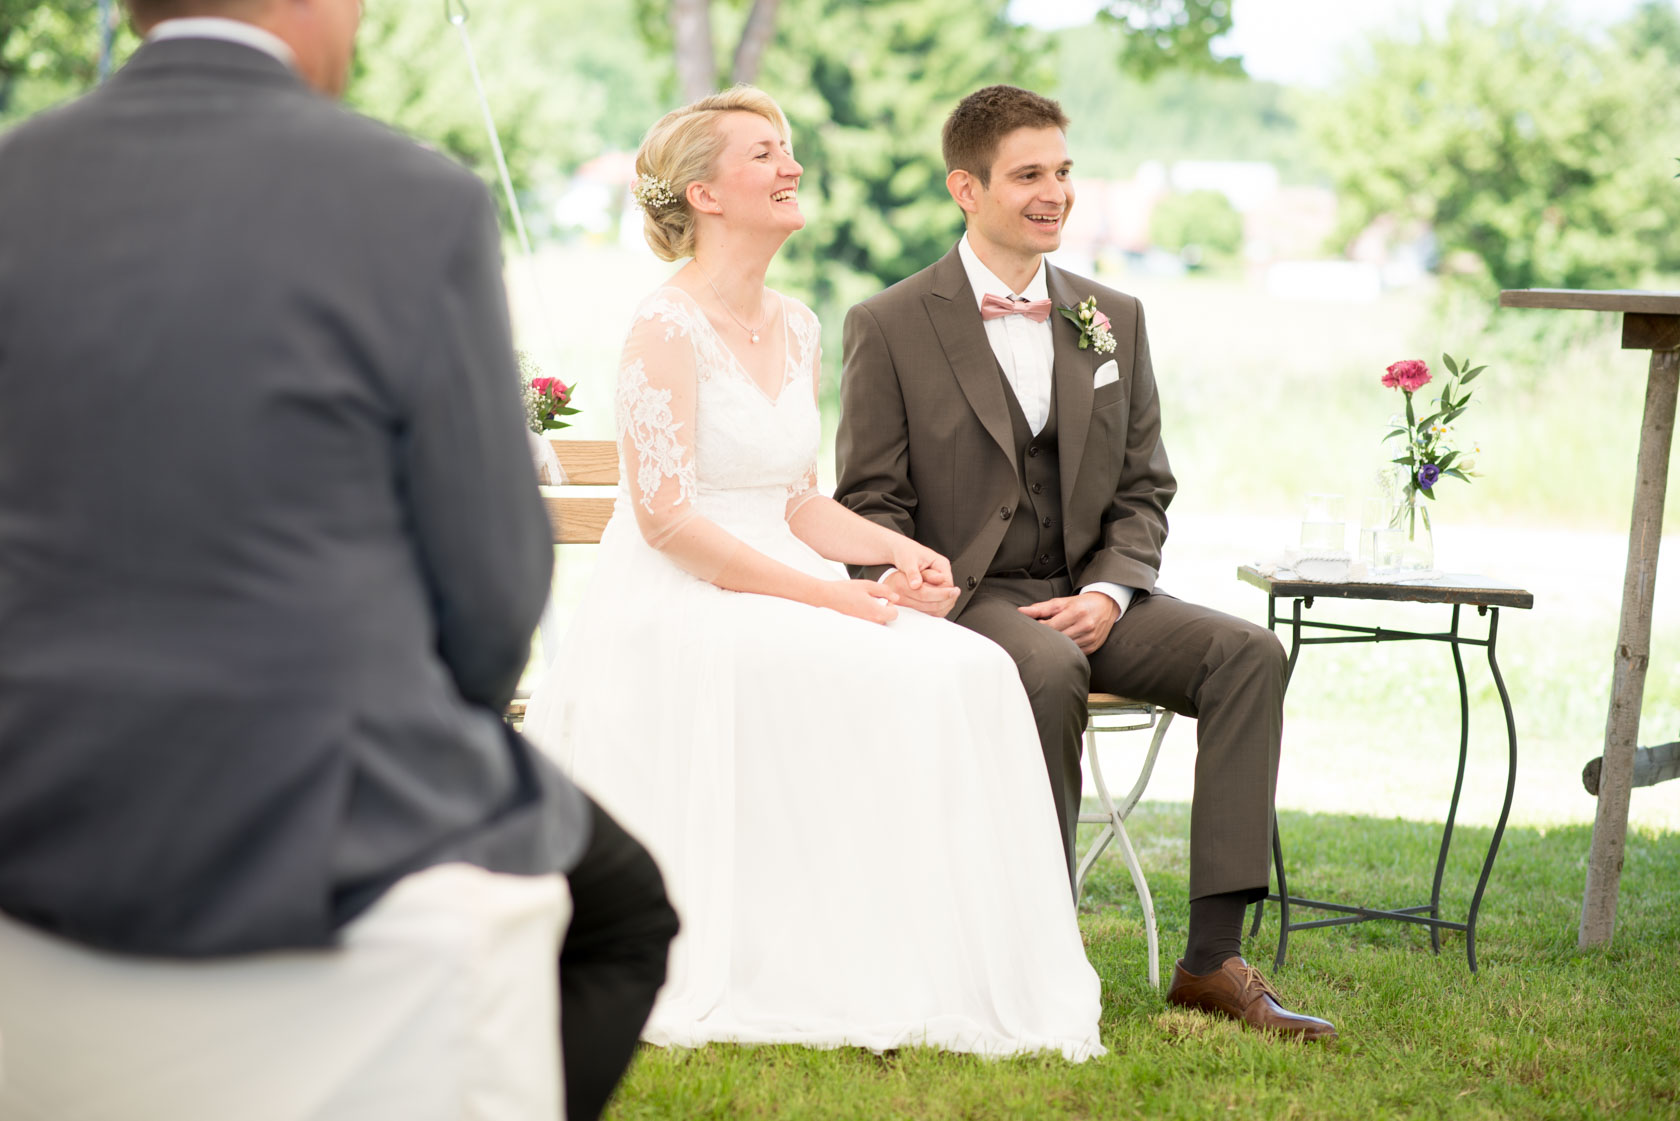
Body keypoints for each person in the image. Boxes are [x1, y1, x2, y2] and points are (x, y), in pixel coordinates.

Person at [0, 3, 676, 1117]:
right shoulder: (412, 198)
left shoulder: (17, 176)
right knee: (625, 913)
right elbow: (495, 586)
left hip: (36, 765)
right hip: (312, 782)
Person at [521, 86, 1103, 1060]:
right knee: (893, 666)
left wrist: (896, 550)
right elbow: (670, 521)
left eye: (787, 147)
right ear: (704, 194)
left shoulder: (794, 322)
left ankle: (942, 956)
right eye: (763, 154)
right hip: (682, 598)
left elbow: (796, 495)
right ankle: (839, 955)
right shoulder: (662, 326)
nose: (791, 166)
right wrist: (831, 593)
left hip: (783, 570)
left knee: (969, 665)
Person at [834, 85, 1336, 1041]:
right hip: (971, 599)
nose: (1054, 192)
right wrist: (917, 585)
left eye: (1063, 171)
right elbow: (869, 504)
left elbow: (1146, 488)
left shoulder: (1114, 315)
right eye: (1029, 174)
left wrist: (1109, 593)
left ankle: (1212, 960)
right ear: (965, 187)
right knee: (1050, 665)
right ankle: (1040, 945)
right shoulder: (890, 323)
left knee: (1249, 655)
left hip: (1096, 595)